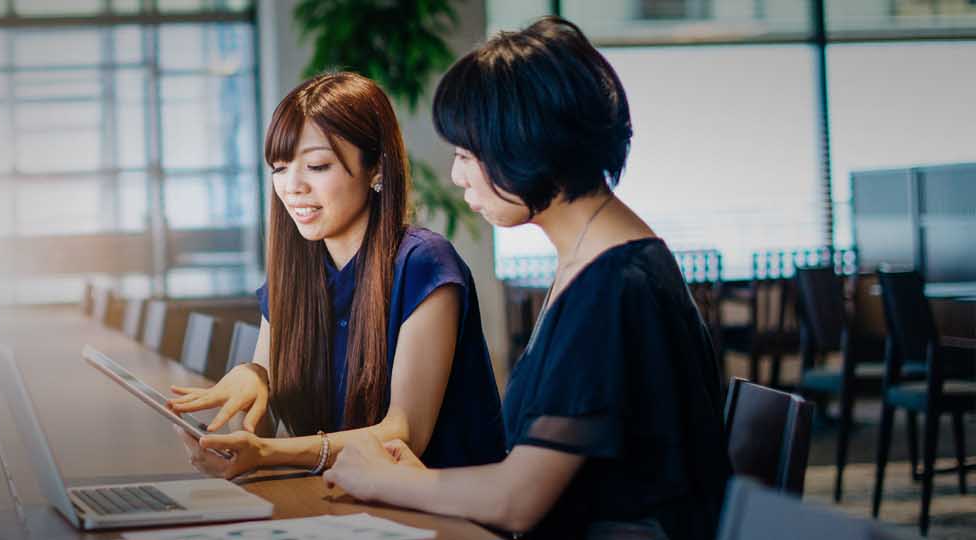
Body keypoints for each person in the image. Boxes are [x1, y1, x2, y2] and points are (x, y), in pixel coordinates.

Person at [321, 17, 731, 540]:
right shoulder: (603, 262)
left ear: (526, 145)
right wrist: (417, 480)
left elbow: (517, 502)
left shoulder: (613, 286)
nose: (456, 175)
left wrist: (378, 480)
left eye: (467, 154)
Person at [167, 72, 505, 479]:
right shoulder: (294, 273)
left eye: (316, 165)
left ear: (376, 168)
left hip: (443, 514)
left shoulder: (423, 263)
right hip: (343, 503)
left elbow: (404, 434)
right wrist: (252, 379)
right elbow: (260, 406)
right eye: (279, 167)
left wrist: (267, 452)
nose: (292, 186)